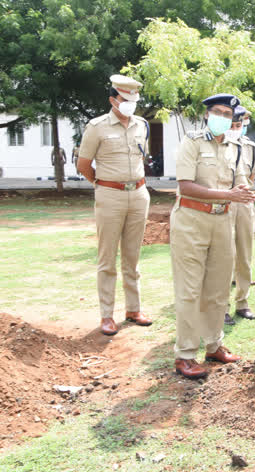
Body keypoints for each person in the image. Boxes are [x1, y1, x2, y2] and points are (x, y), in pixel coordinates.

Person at [170, 93, 255, 379]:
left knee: (218, 288)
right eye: (218, 112)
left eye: (228, 115)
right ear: (207, 114)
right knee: (190, 290)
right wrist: (228, 194)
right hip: (191, 220)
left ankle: (213, 345)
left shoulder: (236, 146)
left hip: (223, 220)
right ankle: (184, 355)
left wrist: (243, 193)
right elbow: (185, 186)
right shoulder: (192, 142)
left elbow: (238, 181)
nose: (223, 118)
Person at [77, 74, 153, 336]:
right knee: (107, 258)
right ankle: (107, 315)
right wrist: (103, 185)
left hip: (139, 193)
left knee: (132, 257)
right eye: (125, 99)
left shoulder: (142, 125)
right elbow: (83, 165)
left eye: (134, 99)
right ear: (113, 100)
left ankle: (134, 309)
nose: (131, 103)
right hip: (110, 195)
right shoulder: (97, 126)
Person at [225, 106, 255, 325]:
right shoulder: (216, 145)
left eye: (238, 126)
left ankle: (243, 303)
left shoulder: (249, 146)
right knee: (224, 257)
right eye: (231, 126)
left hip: (245, 205)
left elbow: (252, 175)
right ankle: (222, 307)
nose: (235, 129)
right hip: (223, 203)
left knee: (245, 255)